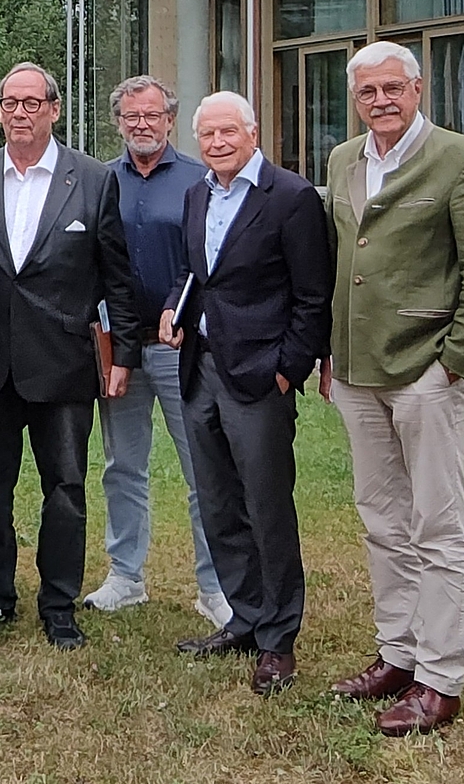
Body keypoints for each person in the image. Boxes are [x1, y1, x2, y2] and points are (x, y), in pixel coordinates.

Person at [324, 41, 464, 735]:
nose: (381, 100)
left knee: (438, 527)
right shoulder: (344, 159)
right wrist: (332, 354)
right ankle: (398, 653)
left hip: (428, 373)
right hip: (358, 372)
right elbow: (342, 263)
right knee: (383, 522)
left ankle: (441, 677)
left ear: (418, 87)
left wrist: (453, 364)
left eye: (392, 88)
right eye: (368, 91)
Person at [0, 62, 140, 650]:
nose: (21, 114)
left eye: (32, 103)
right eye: (10, 104)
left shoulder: (90, 178)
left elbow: (118, 273)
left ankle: (59, 604)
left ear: (54, 110)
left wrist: (124, 353)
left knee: (65, 486)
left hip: (62, 362)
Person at [160, 91, 331, 697]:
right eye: (206, 134)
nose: (216, 143)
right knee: (217, 502)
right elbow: (198, 273)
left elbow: (314, 296)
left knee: (266, 505)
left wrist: (289, 368)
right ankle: (245, 616)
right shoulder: (197, 193)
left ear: (253, 132)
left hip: (259, 375)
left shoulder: (291, 198)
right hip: (200, 369)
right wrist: (176, 309)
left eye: (228, 132)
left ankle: (279, 639)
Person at [83, 76, 230, 628]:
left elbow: (206, 260)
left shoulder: (200, 180)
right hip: (121, 348)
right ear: (118, 122)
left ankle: (215, 586)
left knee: (204, 468)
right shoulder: (99, 181)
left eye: (152, 115)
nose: (141, 124)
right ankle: (126, 576)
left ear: (170, 119)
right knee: (123, 466)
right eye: (130, 116)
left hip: (181, 347)